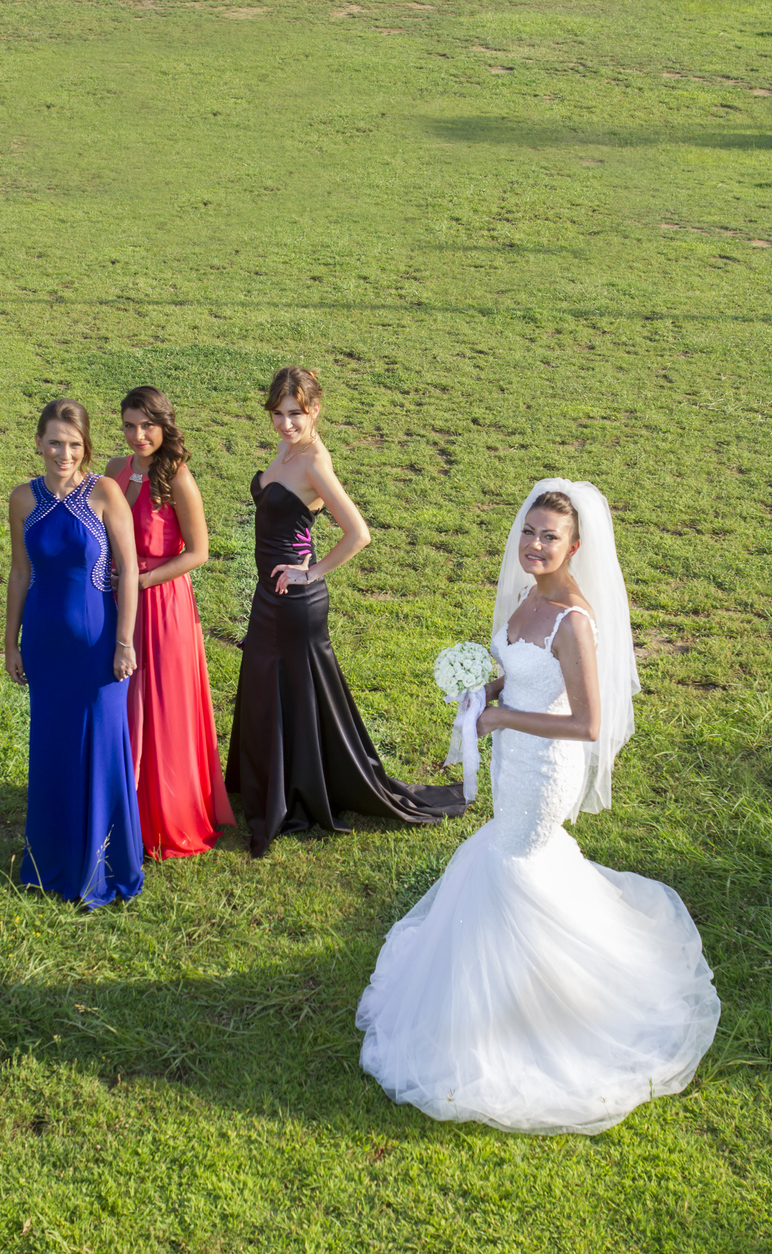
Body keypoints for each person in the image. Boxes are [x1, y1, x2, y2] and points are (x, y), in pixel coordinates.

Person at [357, 479, 720, 1135]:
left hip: (544, 767)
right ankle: (520, 998)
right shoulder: (529, 597)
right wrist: (487, 688)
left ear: (575, 546)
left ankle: (529, 1019)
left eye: (549, 537)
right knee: (515, 859)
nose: (533, 544)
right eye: (528, 531)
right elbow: (520, 672)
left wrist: (502, 715)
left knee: (512, 862)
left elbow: (586, 722)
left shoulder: (574, 620)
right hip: (513, 758)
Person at [225, 366, 466, 859]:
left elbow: (358, 533)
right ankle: (272, 782)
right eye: (278, 413)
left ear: (315, 410)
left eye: (296, 413)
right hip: (267, 597)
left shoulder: (314, 461)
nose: (286, 423)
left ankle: (297, 792)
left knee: (296, 691)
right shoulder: (286, 450)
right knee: (271, 687)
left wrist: (311, 572)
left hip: (296, 602)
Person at [5, 399, 144, 908]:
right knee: (52, 746)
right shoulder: (23, 499)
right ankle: (51, 859)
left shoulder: (105, 493)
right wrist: (10, 641)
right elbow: (21, 573)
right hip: (44, 643)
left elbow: (128, 571)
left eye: (74, 444)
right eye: (56, 442)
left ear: (86, 447)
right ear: (39, 442)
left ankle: (104, 863)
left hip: (98, 645)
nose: (64, 452)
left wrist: (125, 642)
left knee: (102, 747)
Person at [105, 386, 235, 859]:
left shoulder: (178, 477)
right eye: (129, 426)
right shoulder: (114, 471)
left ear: (164, 426)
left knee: (161, 704)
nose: (138, 435)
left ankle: (166, 810)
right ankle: (123, 803)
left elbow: (198, 552)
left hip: (162, 604)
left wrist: (143, 581)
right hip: (116, 602)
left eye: (147, 426)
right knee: (122, 701)